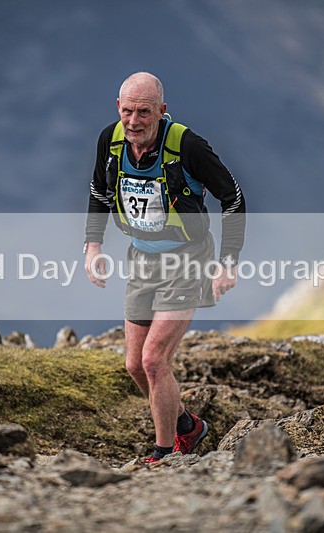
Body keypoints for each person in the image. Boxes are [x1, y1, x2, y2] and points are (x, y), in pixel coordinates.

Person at [84, 72, 246, 462]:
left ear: (162, 111)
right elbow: (97, 191)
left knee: (154, 360)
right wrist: (93, 246)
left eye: (144, 112)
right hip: (141, 256)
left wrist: (228, 262)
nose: (134, 121)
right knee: (134, 365)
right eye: (127, 111)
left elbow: (233, 198)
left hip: (188, 258)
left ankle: (164, 453)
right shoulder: (111, 140)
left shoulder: (189, 147)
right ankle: (188, 428)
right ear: (117, 108)